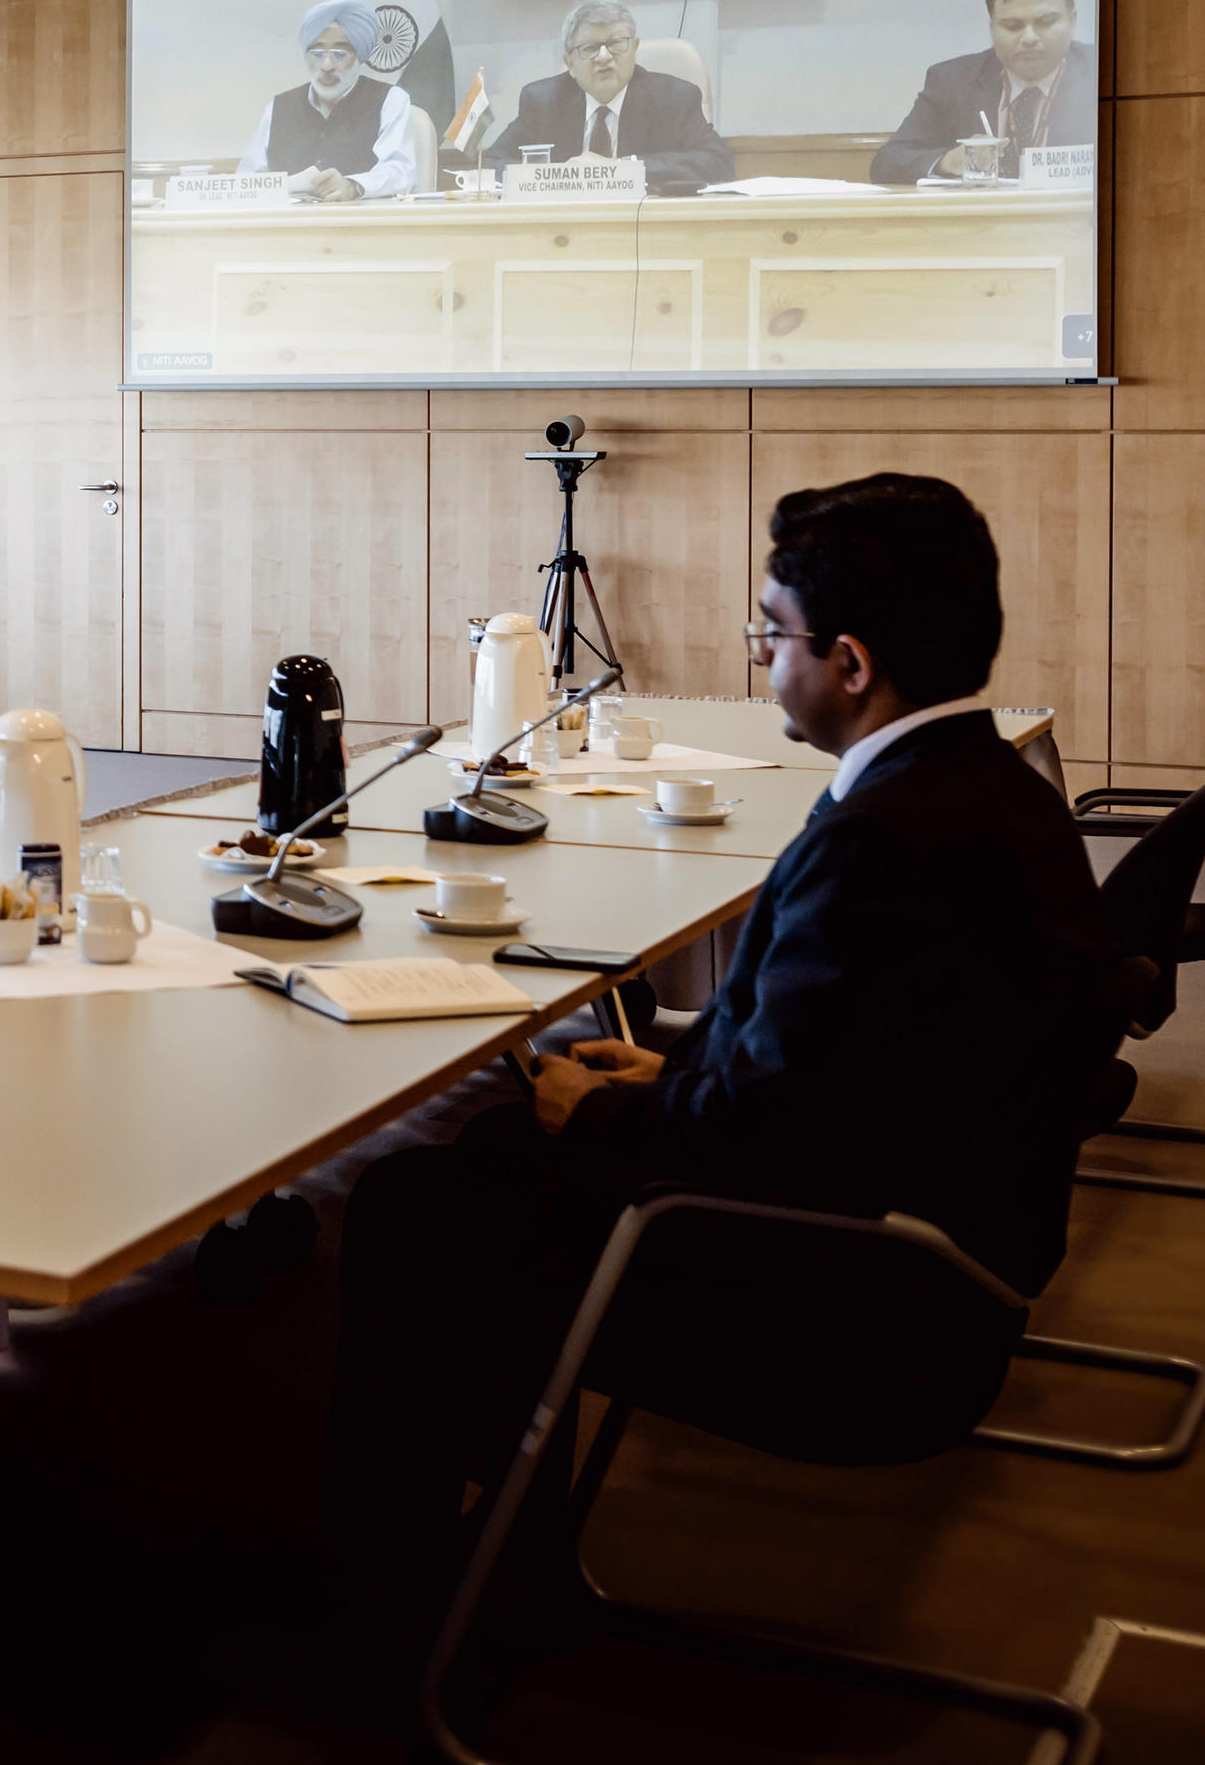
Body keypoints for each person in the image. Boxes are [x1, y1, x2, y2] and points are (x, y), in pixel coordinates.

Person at [319, 474, 1119, 1669]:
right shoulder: (990, 793)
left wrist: (607, 1114)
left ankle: (396, 1618)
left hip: (861, 1320)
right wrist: (664, 1074)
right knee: (497, 1148)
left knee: (420, 1202)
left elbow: (772, 1140)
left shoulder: (880, 845)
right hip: (942, 1251)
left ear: (847, 662)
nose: (758, 660)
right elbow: (852, 1070)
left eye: (770, 634)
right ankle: (491, 1552)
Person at [874, 0, 1099, 186]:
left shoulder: (1103, 76)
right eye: (1012, 26)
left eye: (1045, 22)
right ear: (992, 30)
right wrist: (949, 161)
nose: (1029, 37)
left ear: (1072, 22)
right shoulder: (952, 80)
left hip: (1075, 219)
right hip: (982, 220)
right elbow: (888, 162)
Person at [491, 0, 735, 194]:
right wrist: (559, 176)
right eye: (590, 48)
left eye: (616, 43)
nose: (604, 57)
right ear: (570, 62)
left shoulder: (673, 98)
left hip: (650, 231)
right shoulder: (544, 101)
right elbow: (494, 162)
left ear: (634, 48)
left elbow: (718, 163)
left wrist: (619, 169)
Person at [240, 0, 421, 201]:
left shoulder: (391, 100)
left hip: (363, 228)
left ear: (359, 56)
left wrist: (354, 186)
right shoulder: (278, 107)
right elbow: (248, 179)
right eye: (317, 53)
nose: (326, 65)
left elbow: (400, 172)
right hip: (289, 229)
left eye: (339, 54)